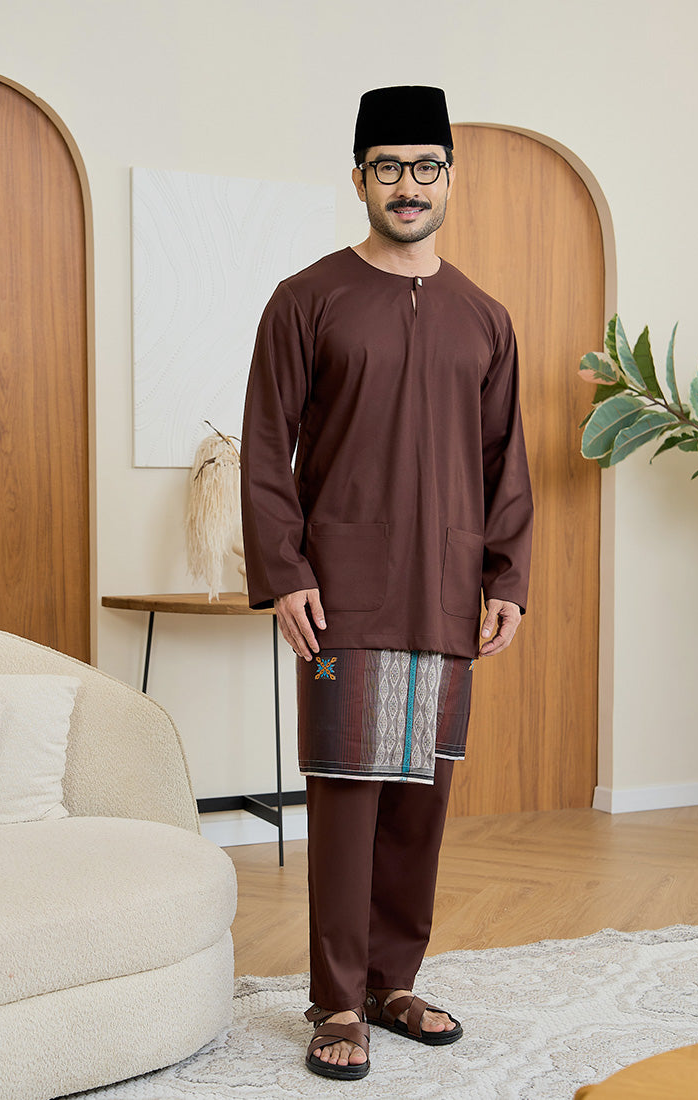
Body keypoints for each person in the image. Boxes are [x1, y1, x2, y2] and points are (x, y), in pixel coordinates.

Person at [240, 85, 533, 1081]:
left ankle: (392, 980)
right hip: (343, 590)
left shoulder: (485, 318)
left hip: (448, 592)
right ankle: (334, 996)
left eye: (426, 167)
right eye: (389, 167)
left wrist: (507, 577)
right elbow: (264, 451)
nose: (408, 186)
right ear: (359, 178)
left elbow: (507, 462)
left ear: (450, 177)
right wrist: (284, 572)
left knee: (423, 796)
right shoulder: (307, 297)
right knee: (349, 797)